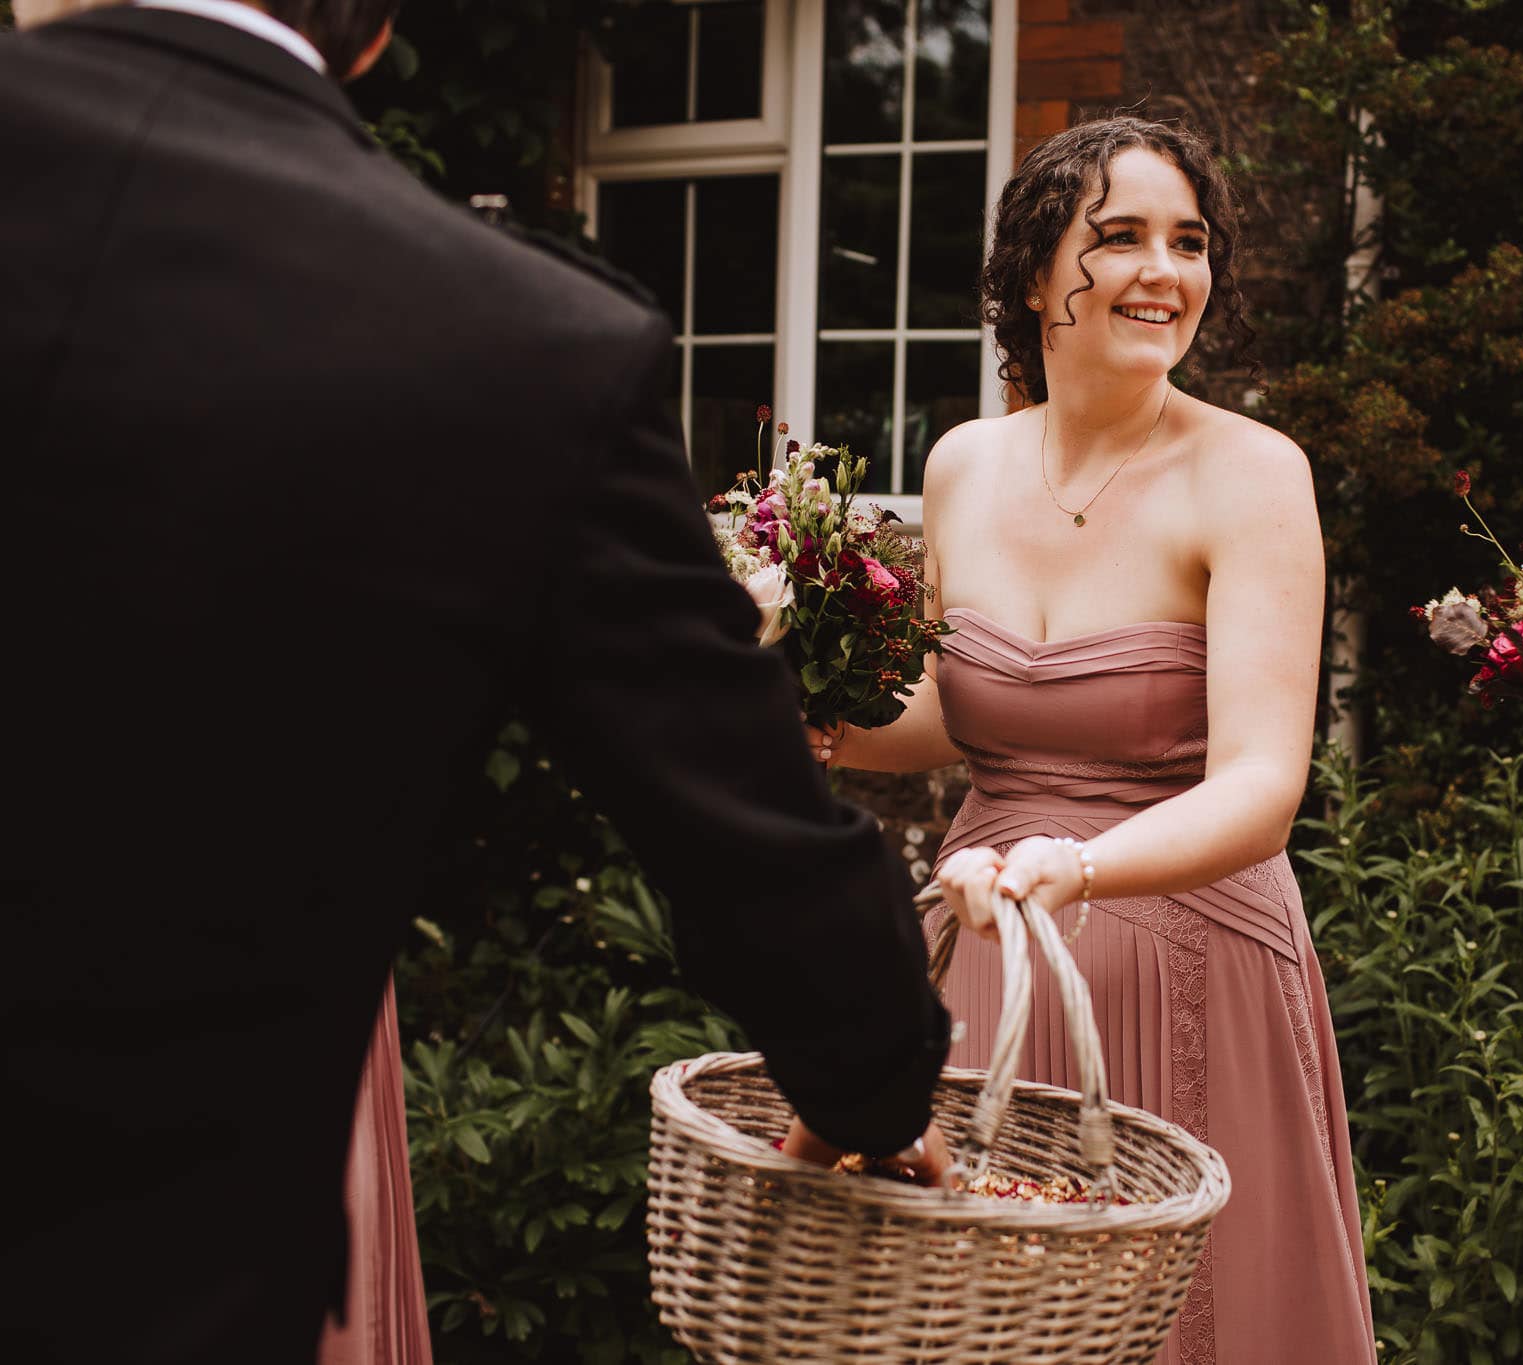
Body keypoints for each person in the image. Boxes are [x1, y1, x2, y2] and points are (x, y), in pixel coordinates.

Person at [0, 4, 953, 1362]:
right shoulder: (525, 344)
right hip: (151, 1290)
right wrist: (873, 1084)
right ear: (376, 31)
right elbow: (747, 836)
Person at [812, 117, 1375, 1364]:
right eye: (1115, 238)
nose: (1161, 273)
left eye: (1188, 243)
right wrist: (816, 726)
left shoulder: (1251, 475)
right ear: (1030, 275)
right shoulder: (963, 465)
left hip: (1194, 958)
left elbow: (1263, 786)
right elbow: (952, 720)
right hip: (994, 961)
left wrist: (1075, 867)